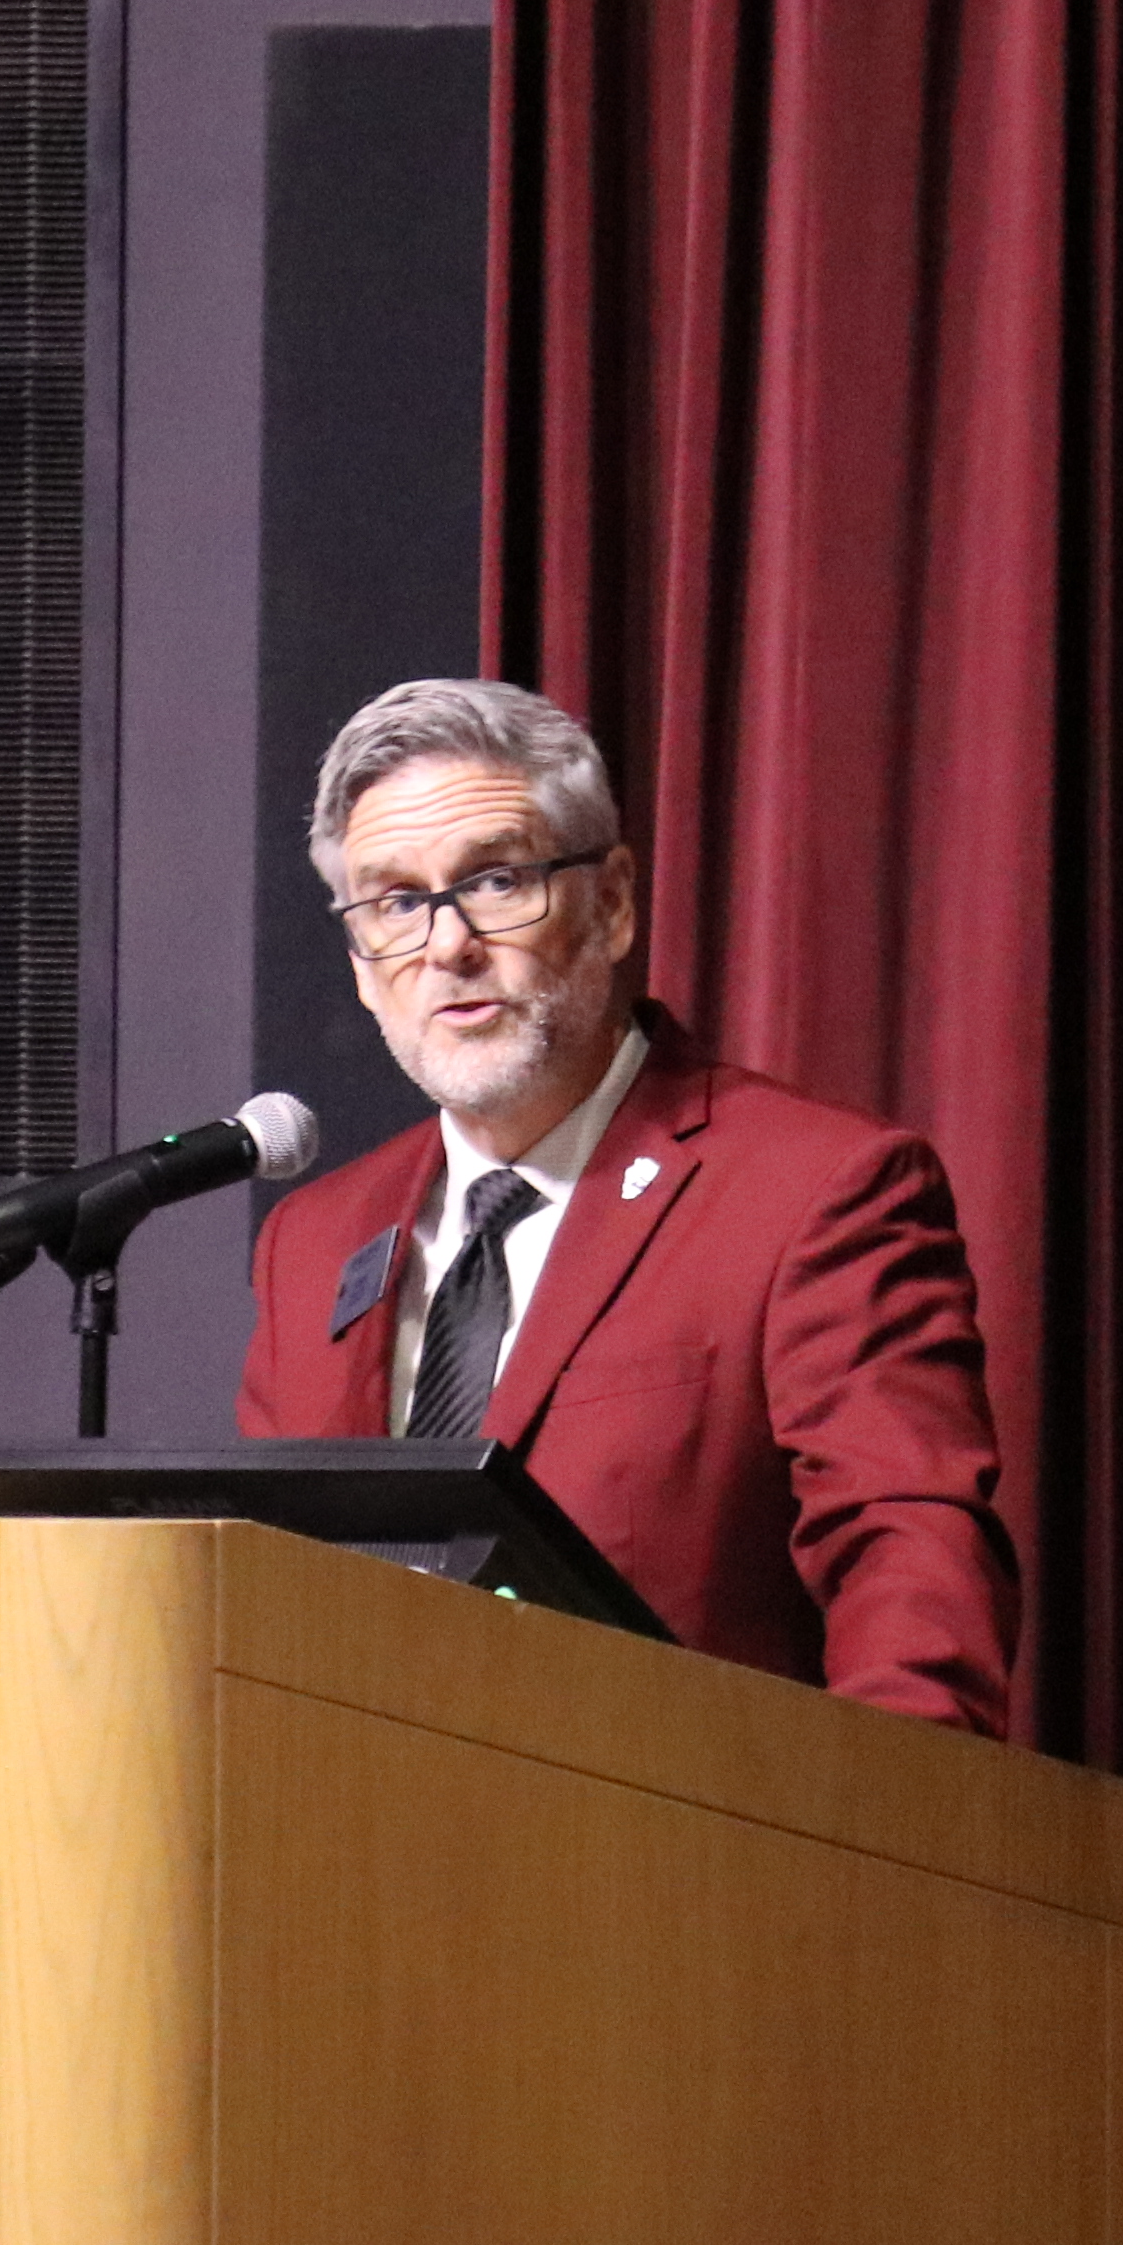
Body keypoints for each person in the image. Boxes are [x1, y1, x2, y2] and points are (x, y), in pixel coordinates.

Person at [235, 678, 1019, 1733]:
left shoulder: (814, 1190)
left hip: (677, 1865)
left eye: (498, 881)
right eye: (397, 903)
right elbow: (269, 1602)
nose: (448, 944)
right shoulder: (314, 1238)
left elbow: (910, 1565)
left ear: (611, 904)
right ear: (363, 966)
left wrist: (874, 1865)